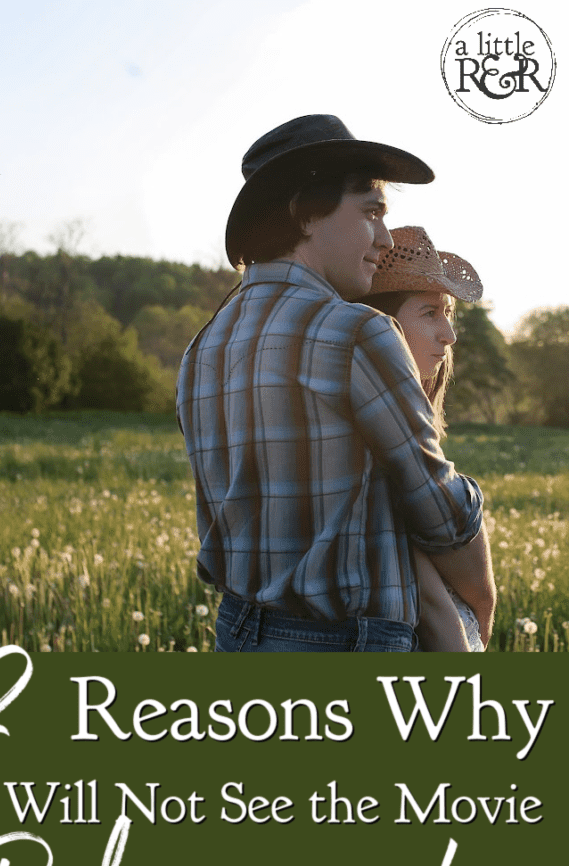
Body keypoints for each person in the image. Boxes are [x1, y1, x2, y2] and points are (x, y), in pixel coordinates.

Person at [176, 114, 492, 652]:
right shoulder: (357, 331)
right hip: (341, 643)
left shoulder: (205, 344)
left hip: (237, 633)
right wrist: (481, 605)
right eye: (371, 213)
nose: (384, 237)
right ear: (306, 212)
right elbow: (438, 513)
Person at [367, 226, 493, 651]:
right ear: (382, 325)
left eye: (448, 314)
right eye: (428, 313)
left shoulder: (413, 421)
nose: (449, 334)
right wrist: (484, 601)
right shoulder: (372, 436)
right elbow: (433, 595)